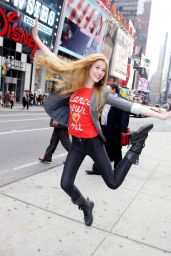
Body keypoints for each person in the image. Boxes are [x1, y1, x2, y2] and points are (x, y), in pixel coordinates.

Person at [32, 19, 171, 226]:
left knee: (113, 182)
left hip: (93, 142)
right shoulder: (75, 84)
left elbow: (128, 106)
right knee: (65, 183)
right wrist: (36, 37)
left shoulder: (101, 92)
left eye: (103, 70)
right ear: (89, 66)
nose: (99, 72)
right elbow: (55, 59)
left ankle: (137, 145)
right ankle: (85, 205)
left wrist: (161, 116)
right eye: (97, 67)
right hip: (77, 143)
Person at [86, 84, 130, 175]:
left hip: (115, 130)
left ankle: (118, 171)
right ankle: (97, 169)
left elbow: (125, 116)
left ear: (114, 90)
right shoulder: (104, 99)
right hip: (103, 128)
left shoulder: (121, 100)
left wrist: (123, 130)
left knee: (116, 150)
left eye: (107, 89)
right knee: (101, 149)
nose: (104, 91)